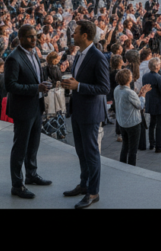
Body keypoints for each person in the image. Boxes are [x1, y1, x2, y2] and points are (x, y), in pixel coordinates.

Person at [59, 20, 110, 209]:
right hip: (79, 110)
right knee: (81, 152)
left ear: (85, 35)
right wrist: (73, 82)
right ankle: (84, 184)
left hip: (90, 113)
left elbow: (104, 87)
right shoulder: (80, 54)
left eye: (76, 32)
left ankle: (93, 192)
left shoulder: (98, 57)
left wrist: (78, 86)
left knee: (91, 154)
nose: (73, 35)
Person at [5, 24, 53, 198]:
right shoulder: (13, 58)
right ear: (21, 37)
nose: (34, 39)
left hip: (36, 106)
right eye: (30, 37)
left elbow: (35, 78)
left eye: (35, 36)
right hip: (23, 109)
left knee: (33, 145)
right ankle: (17, 185)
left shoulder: (34, 54)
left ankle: (31, 175)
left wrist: (43, 85)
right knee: (20, 148)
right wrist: (35, 88)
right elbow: (10, 85)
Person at [114, 68, 151, 166]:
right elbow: (140, 106)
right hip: (132, 124)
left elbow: (130, 103)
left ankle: (122, 165)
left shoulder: (117, 89)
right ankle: (131, 168)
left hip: (122, 122)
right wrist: (143, 95)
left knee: (125, 146)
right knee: (133, 149)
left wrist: (138, 95)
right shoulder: (129, 92)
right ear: (128, 79)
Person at [143, 56, 161, 153]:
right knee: (160, 124)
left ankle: (151, 143)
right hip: (159, 104)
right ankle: (159, 145)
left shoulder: (145, 76)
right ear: (157, 67)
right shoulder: (158, 78)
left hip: (150, 102)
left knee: (152, 123)